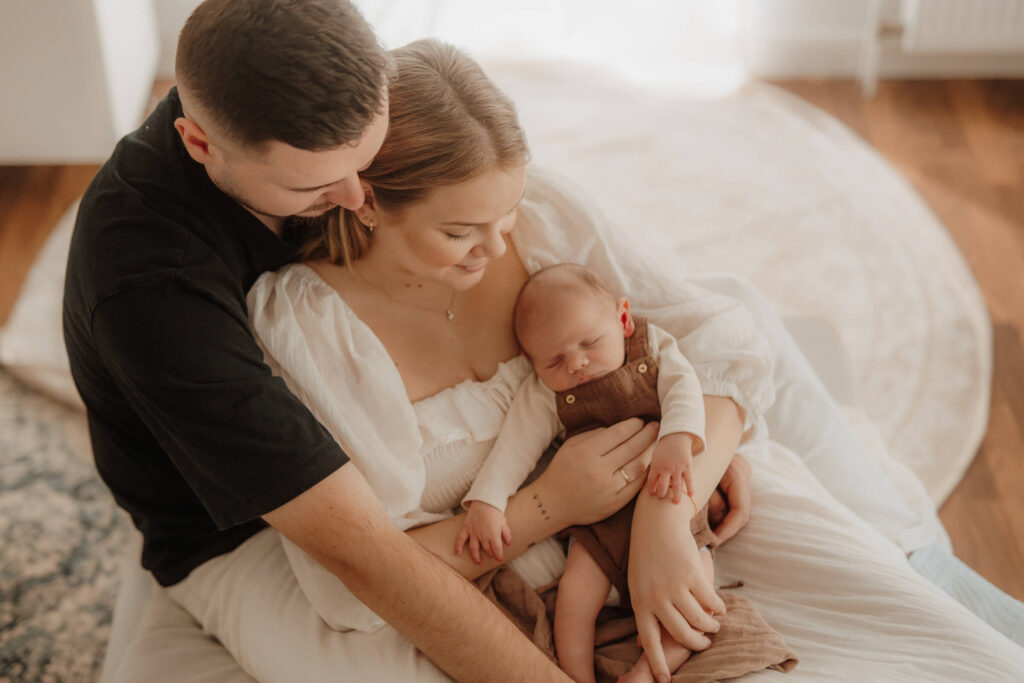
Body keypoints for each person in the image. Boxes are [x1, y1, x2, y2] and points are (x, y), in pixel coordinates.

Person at [62, 3, 756, 681]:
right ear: (200, 144)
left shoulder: (342, 118)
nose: (357, 197)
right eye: (317, 185)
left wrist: (668, 502)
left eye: (367, 158)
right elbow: (364, 563)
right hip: (237, 527)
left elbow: (712, 344)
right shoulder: (156, 292)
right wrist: (552, 505)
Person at [455, 263, 796, 682]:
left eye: (589, 342)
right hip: (600, 524)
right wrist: (487, 502)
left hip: (671, 499)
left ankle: (645, 673)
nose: (577, 363)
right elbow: (514, 447)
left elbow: (685, 389)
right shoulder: (543, 394)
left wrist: (677, 439)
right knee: (574, 600)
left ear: (623, 319)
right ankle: (576, 673)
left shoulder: (652, 348)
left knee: (698, 599)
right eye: (555, 360)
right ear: (530, 360)